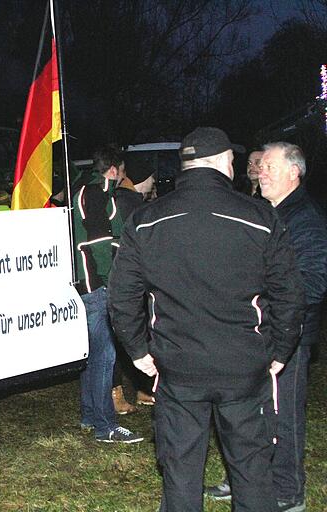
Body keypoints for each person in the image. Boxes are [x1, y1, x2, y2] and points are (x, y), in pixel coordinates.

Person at [108, 127, 305, 512]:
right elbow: (288, 293)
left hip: (179, 365)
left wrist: (137, 350)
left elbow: (122, 294)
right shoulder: (260, 217)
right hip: (243, 365)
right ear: (221, 162)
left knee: (180, 473)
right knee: (252, 471)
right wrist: (280, 349)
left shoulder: (148, 218)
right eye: (233, 161)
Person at [205, 142, 327, 512]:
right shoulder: (261, 212)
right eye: (260, 166)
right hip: (253, 334)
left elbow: (313, 282)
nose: (261, 172)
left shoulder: (304, 219)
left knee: (283, 416)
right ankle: (245, 477)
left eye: (270, 167)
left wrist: (259, 295)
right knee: (248, 414)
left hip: (287, 338)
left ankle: (288, 490)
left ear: (294, 173)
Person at [72, 145, 144, 443]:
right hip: (97, 286)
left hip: (90, 286)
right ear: (113, 169)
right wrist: (111, 281)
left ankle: (91, 415)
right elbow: (99, 242)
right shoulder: (97, 191)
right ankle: (106, 425)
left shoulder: (86, 190)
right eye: (122, 171)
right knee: (104, 356)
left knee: (94, 356)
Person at [111, 162, 157, 413]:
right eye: (151, 179)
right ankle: (121, 392)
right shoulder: (134, 205)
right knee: (126, 338)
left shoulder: (117, 198)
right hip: (131, 279)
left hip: (124, 278)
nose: (153, 185)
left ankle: (143, 389)